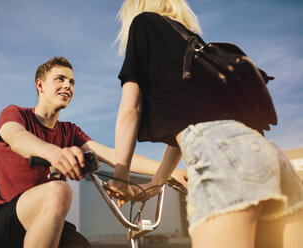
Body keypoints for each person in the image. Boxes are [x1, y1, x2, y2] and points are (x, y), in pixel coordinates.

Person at [107, 1, 303, 248]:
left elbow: (130, 110)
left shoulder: (143, 23)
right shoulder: (193, 43)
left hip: (222, 156)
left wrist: (120, 178)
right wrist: (156, 184)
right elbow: (190, 124)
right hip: (270, 155)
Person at [0, 56, 187, 248]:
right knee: (59, 190)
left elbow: (114, 156)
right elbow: (17, 138)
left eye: (72, 82)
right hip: (1, 218)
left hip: (46, 215)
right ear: (40, 85)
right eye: (60, 79)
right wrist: (54, 153)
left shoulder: (69, 131)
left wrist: (171, 172)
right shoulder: (16, 114)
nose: (67, 86)